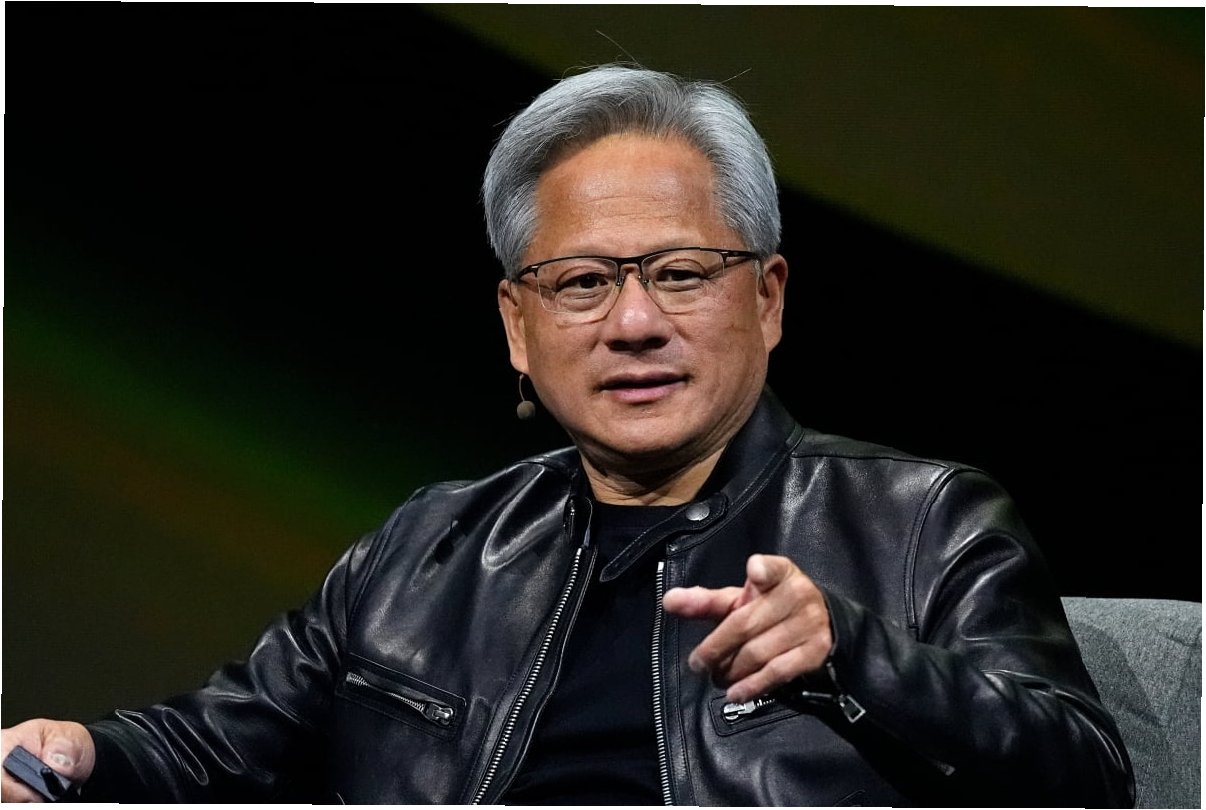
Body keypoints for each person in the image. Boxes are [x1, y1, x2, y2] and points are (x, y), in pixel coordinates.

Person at [1, 63, 1134, 806]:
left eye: (682, 273)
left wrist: (855, 654)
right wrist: (80, 754)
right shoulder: (431, 546)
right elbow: (214, 745)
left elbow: (1088, 777)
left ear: (768, 299)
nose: (634, 323)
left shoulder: (923, 522)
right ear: (518, 325)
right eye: (584, 282)